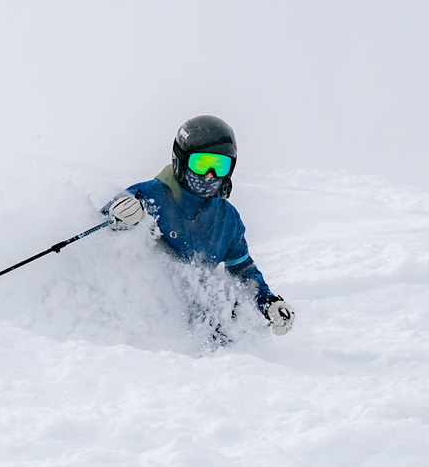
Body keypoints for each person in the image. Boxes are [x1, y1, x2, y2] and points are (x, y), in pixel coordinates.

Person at [103, 115, 295, 337]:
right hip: (142, 316)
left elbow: (242, 268)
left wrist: (267, 302)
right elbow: (97, 239)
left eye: (219, 166)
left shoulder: (227, 218)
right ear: (181, 160)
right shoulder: (148, 195)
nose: (210, 174)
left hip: (201, 321)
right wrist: (116, 221)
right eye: (201, 163)